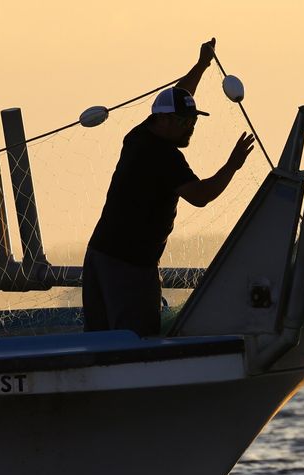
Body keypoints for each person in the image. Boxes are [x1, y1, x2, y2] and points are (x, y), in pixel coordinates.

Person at [83, 37, 255, 336]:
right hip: (128, 267)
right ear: (163, 120)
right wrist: (233, 164)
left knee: (100, 340)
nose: (190, 127)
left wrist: (202, 65)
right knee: (135, 342)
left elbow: (182, 92)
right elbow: (200, 196)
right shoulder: (164, 157)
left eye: (192, 120)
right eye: (184, 121)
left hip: (100, 256)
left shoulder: (139, 135)